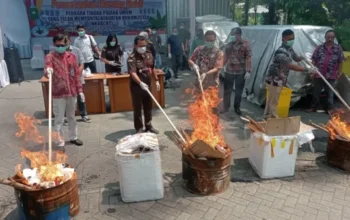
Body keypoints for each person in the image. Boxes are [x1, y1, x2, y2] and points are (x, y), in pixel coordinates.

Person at [264, 29, 317, 119]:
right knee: (274, 101)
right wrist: (307, 69)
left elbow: (295, 58)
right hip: (275, 79)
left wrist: (302, 57)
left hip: (280, 79)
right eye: (289, 39)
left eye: (293, 38)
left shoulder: (289, 49)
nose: (291, 40)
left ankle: (266, 117)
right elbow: (290, 66)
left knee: (272, 100)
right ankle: (273, 120)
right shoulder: (281, 52)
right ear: (283, 39)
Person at [44, 34, 83, 147]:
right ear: (54, 45)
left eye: (62, 45)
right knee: (59, 118)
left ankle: (73, 137)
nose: (60, 47)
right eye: (58, 45)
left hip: (72, 92)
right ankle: (59, 141)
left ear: (66, 44)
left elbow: (76, 74)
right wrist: (48, 70)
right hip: (58, 93)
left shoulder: (71, 57)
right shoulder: (50, 57)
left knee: (71, 116)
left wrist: (80, 90)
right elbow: (46, 71)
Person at [128, 35, 160, 134]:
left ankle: (149, 125)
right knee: (137, 108)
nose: (143, 47)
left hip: (148, 85)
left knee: (148, 106)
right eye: (141, 45)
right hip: (137, 87)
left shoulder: (149, 54)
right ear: (135, 46)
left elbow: (152, 68)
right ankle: (139, 128)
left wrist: (157, 80)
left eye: (144, 45)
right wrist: (140, 83)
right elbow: (132, 73)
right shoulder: (132, 57)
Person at [306, 30, 344, 113]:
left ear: (334, 38)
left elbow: (340, 61)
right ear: (325, 37)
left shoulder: (338, 48)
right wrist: (313, 71)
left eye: (332, 37)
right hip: (319, 74)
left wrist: (339, 72)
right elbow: (314, 60)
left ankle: (330, 109)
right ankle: (313, 107)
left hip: (331, 75)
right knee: (316, 91)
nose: (330, 39)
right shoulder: (319, 47)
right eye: (328, 37)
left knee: (330, 93)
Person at [222, 27, 252, 115]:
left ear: (238, 35)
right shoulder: (229, 45)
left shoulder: (245, 45)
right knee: (227, 90)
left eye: (233, 34)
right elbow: (225, 57)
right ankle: (226, 107)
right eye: (231, 34)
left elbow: (248, 58)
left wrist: (248, 71)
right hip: (229, 71)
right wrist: (221, 67)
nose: (231, 36)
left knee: (238, 91)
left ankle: (237, 107)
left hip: (241, 72)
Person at [65, 34, 91, 123]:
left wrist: (78, 72)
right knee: (68, 98)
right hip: (66, 80)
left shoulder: (76, 50)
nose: (65, 43)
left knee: (81, 96)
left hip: (77, 78)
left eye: (66, 41)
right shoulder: (59, 52)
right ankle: (68, 117)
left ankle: (84, 115)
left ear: (70, 41)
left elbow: (82, 63)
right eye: (63, 42)